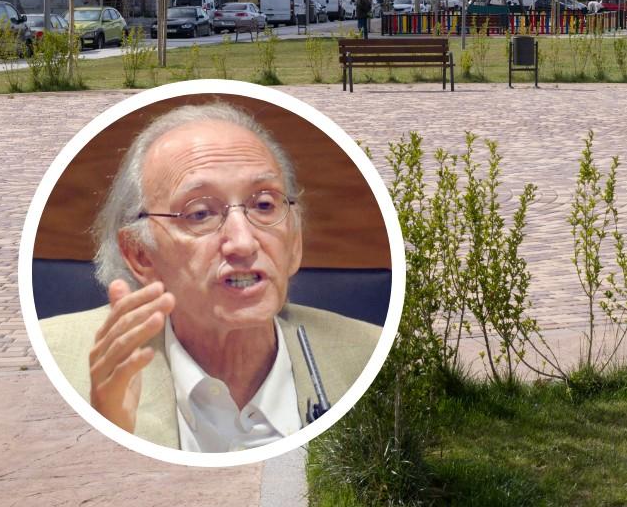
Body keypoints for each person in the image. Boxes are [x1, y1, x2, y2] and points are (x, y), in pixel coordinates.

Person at [40, 103, 382, 452]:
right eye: (200, 213)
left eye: (264, 206)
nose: (243, 242)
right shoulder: (55, 362)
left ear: (294, 240)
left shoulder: (376, 358)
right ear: (141, 255)